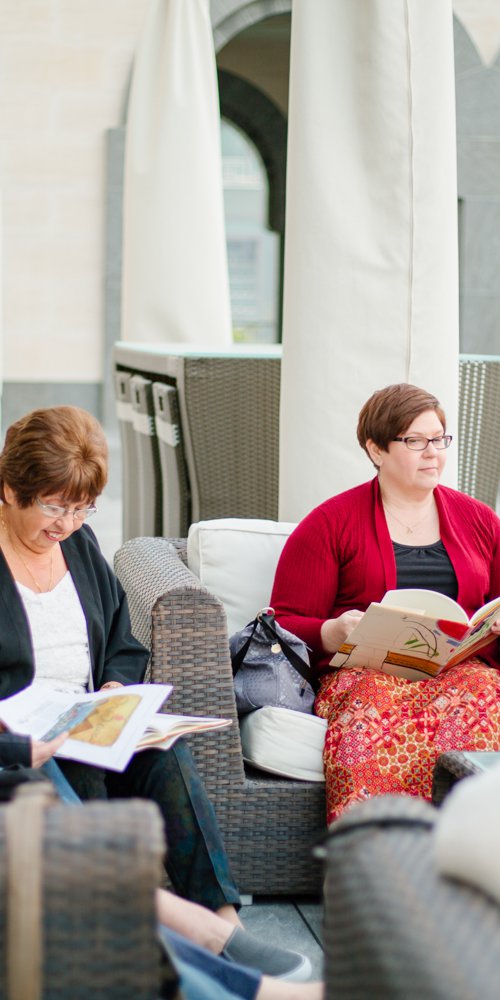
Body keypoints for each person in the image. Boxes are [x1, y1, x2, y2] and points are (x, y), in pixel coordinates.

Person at [0, 405, 312, 982]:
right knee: (81, 773)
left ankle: (223, 921)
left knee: (165, 750)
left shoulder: (79, 546)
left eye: (80, 507)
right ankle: (133, 940)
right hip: (20, 741)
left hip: (81, 717)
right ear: (10, 488)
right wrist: (22, 742)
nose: (65, 523)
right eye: (53, 505)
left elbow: (120, 640)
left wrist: (116, 687)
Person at [270, 383, 500, 824]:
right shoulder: (331, 523)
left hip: (459, 673)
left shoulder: (478, 519)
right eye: (415, 441)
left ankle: (465, 854)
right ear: (376, 450)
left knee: (484, 694)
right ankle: (375, 860)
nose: (432, 453)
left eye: (440, 439)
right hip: (366, 675)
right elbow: (281, 620)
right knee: (372, 706)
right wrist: (329, 631)